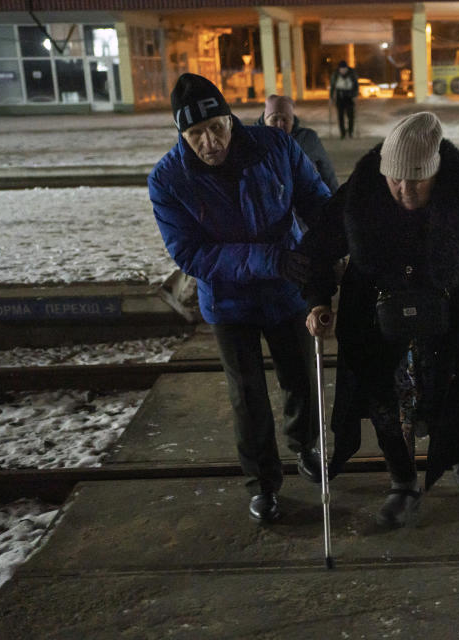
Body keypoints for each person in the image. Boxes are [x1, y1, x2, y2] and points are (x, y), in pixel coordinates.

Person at [302, 112, 459, 528]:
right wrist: (317, 301)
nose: (404, 189)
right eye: (395, 179)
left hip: (451, 314)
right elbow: (316, 247)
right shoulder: (362, 193)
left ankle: (456, 450)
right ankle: (403, 482)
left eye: (417, 180)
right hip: (376, 317)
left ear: (435, 172)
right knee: (386, 399)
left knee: (453, 389)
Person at [148, 73, 332, 523]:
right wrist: (271, 259)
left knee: (301, 377)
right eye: (194, 134)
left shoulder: (275, 146)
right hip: (229, 300)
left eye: (216, 127)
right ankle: (263, 482)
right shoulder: (168, 179)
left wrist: (338, 242)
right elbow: (191, 253)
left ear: (231, 118)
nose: (209, 142)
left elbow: (316, 199)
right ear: (181, 135)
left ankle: (305, 445)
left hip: (286, 289)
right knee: (246, 394)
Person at [257, 94, 339, 193]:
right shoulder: (255, 139)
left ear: (292, 121)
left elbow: (326, 171)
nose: (279, 124)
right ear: (265, 121)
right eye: (274, 119)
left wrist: (335, 199)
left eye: (284, 120)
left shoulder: (308, 138)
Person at [329, 60, 358, 139]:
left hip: (349, 97)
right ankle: (343, 133)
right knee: (340, 116)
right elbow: (332, 87)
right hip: (340, 97)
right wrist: (331, 97)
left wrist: (355, 95)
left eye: (344, 69)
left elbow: (356, 86)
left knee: (351, 116)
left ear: (347, 68)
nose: (343, 71)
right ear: (339, 69)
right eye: (341, 69)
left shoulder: (352, 74)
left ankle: (350, 132)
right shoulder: (335, 75)